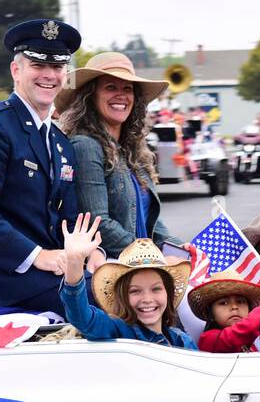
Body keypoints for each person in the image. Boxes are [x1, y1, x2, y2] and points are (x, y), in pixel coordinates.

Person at [0, 18, 86, 314]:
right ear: (16, 70)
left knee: (138, 291)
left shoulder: (60, 141)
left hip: (52, 276)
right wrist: (38, 256)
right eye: (38, 66)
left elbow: (70, 220)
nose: (49, 75)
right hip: (3, 284)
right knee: (119, 307)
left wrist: (93, 253)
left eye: (57, 67)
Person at [56, 51, 174, 259]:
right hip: (114, 269)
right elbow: (97, 223)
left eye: (127, 88)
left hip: (142, 264)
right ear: (90, 96)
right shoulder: (85, 146)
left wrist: (183, 249)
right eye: (110, 87)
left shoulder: (132, 149)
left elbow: (150, 222)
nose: (121, 95)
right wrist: (155, 257)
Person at [59, 213, 196, 349]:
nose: (147, 299)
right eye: (135, 291)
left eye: (156, 289)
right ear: (122, 296)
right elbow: (82, 317)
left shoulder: (182, 340)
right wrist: (75, 262)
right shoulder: (116, 330)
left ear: (168, 293)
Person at [189, 270, 260, 353]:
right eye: (223, 303)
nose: (234, 307)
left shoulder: (259, 338)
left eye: (240, 302)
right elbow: (247, 329)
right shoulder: (208, 339)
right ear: (211, 314)